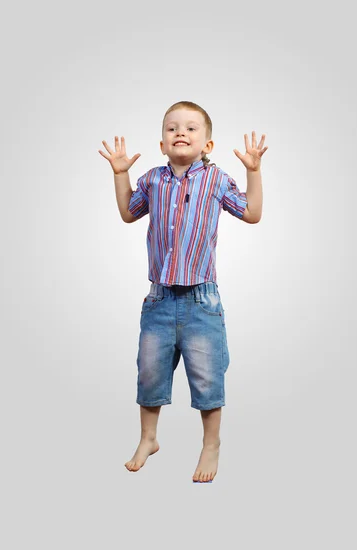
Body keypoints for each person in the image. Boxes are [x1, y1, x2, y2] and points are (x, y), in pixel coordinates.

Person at [98, 100, 267, 482]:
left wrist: (253, 172)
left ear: (207, 144)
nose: (181, 133)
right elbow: (128, 212)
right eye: (172, 127)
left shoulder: (217, 179)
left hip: (201, 300)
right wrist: (121, 174)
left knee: (208, 377)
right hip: (158, 300)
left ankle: (211, 444)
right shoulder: (152, 179)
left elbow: (252, 213)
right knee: (149, 373)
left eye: (191, 128)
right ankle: (148, 438)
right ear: (161, 144)